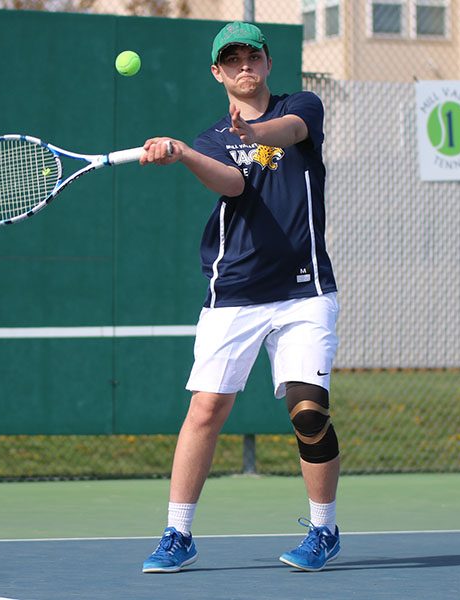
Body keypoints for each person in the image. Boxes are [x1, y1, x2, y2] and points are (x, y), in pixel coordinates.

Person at [138, 21, 341, 573]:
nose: (243, 65)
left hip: (305, 291)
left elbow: (292, 132)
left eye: (252, 55)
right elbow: (231, 184)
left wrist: (256, 135)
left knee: (308, 411)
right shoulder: (211, 139)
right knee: (206, 408)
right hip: (234, 292)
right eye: (231, 58)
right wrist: (181, 153)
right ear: (217, 71)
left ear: (268, 63)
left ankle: (323, 531)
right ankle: (177, 534)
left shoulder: (303, 106)